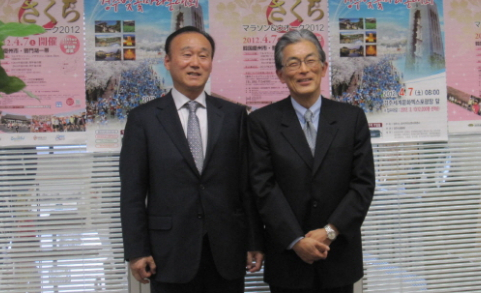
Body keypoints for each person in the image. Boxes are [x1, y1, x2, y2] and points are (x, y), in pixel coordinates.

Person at [120, 26, 264, 293]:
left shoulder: (234, 116)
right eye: (187, 55)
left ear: (211, 63)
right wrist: (137, 250)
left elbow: (246, 185)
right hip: (168, 252)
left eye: (203, 55)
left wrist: (254, 240)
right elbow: (132, 192)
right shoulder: (143, 119)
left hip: (227, 249)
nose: (195, 63)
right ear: (168, 61)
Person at [248, 29, 375, 293]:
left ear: (324, 67)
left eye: (310, 60)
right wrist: (296, 240)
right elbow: (263, 188)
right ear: (280, 74)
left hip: (338, 255)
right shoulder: (261, 123)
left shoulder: (351, 119)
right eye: (293, 63)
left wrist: (330, 231)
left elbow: (363, 184)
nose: (304, 70)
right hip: (288, 259)